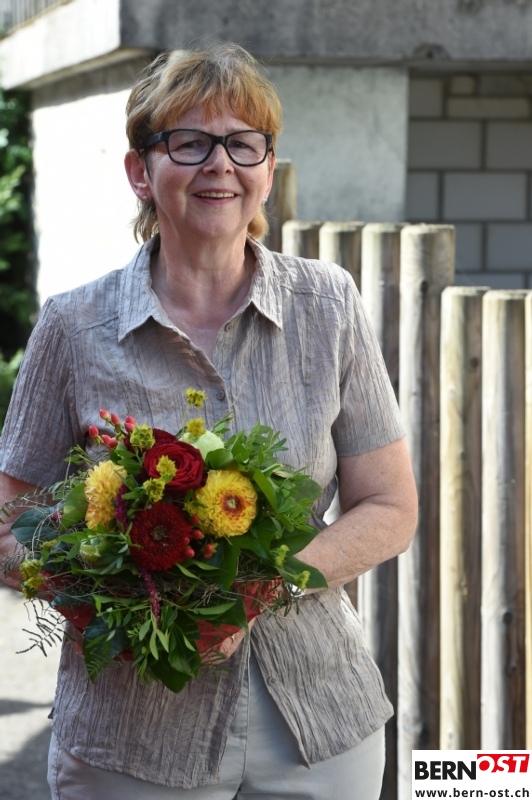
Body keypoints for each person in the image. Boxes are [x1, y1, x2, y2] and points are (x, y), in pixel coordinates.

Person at [0, 44, 417, 799]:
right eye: (189, 142)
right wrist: (117, 594)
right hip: (132, 739)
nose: (220, 163)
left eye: (243, 143)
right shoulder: (73, 326)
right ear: (141, 171)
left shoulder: (328, 306)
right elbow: (8, 521)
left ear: (267, 168)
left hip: (317, 723)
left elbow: (389, 507)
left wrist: (260, 588)